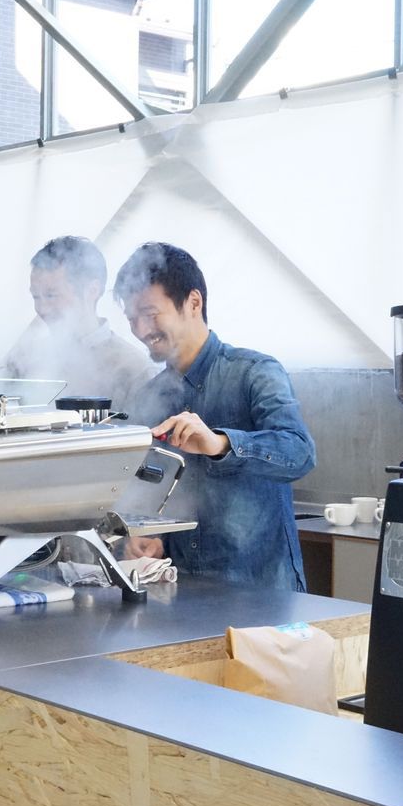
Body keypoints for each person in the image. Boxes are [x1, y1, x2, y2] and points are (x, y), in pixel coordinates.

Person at [114, 242, 316, 592]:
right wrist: (148, 536)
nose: (141, 330)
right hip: (182, 593)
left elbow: (300, 453)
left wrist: (220, 444)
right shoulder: (150, 395)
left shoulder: (255, 371)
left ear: (193, 302)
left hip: (261, 591)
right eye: (132, 319)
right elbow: (150, 489)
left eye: (150, 313)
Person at [3, 236, 153, 414]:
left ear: (92, 291)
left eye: (51, 296)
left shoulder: (133, 369)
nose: (42, 309)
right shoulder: (25, 359)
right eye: (36, 297)